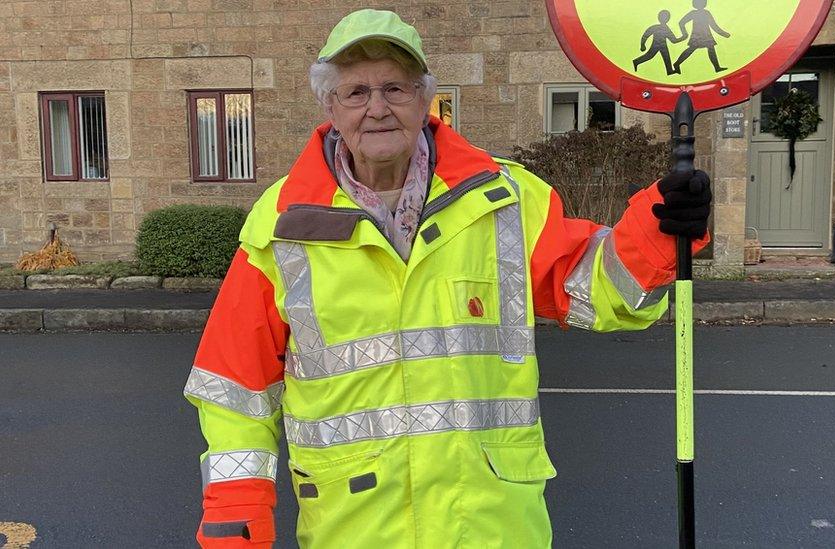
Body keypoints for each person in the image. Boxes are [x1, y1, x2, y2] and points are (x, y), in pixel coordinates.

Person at [184, 8, 711, 549]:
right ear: (330, 107)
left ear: (424, 99)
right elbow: (234, 389)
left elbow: (599, 289)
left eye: (395, 88)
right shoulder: (281, 225)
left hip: (491, 528)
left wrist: (657, 231)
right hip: (356, 531)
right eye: (357, 92)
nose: (378, 108)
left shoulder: (503, 198)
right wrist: (237, 519)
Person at [673, 0, 732, 74]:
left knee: (710, 49)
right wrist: (684, 33)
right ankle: (677, 63)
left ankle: (717, 67)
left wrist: (723, 33)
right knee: (691, 50)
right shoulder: (694, 13)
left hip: (706, 35)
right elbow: (681, 22)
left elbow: (713, 25)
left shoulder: (706, 13)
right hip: (698, 36)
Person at [632, 10, 683, 75]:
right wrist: (642, 44)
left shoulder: (665, 28)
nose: (666, 19)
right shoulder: (656, 27)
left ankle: (669, 70)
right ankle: (636, 62)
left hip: (663, 45)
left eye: (666, 17)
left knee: (666, 57)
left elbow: (673, 40)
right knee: (650, 56)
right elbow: (646, 35)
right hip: (656, 45)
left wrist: (682, 38)